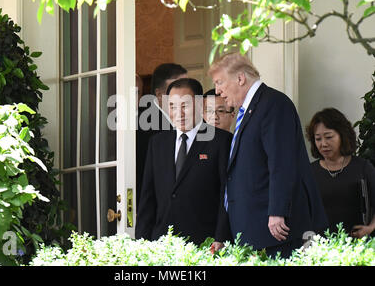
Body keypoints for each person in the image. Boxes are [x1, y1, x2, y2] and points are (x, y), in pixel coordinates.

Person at [208, 52, 328, 258]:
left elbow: (281, 163)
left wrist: (277, 211)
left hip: (274, 230)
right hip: (254, 228)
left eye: (220, 82)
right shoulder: (250, 109)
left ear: (240, 78)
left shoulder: (273, 104)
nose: (218, 91)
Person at [135, 78, 232, 245]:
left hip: (205, 243)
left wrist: (221, 237)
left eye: (185, 106)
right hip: (162, 243)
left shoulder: (221, 141)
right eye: (172, 106)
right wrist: (141, 243)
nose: (178, 113)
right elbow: (148, 199)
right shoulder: (157, 143)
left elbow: (227, 194)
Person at [306, 107, 375, 238]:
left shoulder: (362, 168)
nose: (323, 144)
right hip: (320, 247)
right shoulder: (310, 172)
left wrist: (370, 227)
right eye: (318, 139)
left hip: (355, 246)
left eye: (329, 137)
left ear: (342, 136)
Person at [136, 63, 187, 209]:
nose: (185, 91)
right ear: (159, 94)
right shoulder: (141, 125)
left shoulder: (192, 119)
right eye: (178, 86)